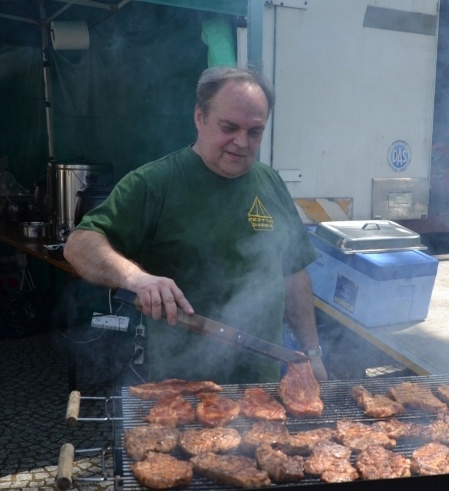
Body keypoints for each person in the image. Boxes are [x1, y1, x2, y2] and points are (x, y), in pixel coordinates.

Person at [63, 66, 328, 384]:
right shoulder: (155, 183)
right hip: (182, 388)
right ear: (200, 117)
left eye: (255, 131)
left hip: (263, 384)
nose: (241, 142)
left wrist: (312, 353)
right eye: (229, 127)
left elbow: (294, 273)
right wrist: (136, 278)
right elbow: (80, 244)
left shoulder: (270, 181)